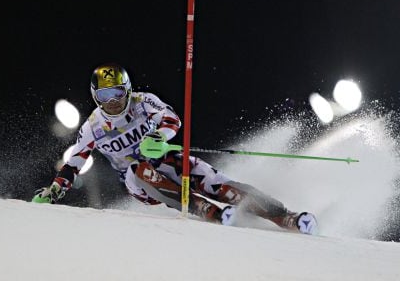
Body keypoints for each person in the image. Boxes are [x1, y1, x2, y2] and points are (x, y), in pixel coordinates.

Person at [33, 63, 317, 234]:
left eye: (118, 93)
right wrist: (55, 190)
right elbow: (74, 163)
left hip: (167, 159)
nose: (113, 102)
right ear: (96, 97)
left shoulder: (143, 101)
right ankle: (204, 209)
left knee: (216, 182)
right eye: (106, 96)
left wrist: (158, 135)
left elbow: (172, 119)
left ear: (127, 89)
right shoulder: (92, 126)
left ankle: (283, 215)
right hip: (139, 183)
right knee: (137, 168)